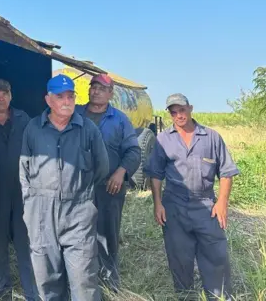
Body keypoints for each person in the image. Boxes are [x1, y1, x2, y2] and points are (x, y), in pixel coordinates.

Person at [19, 74, 109, 301]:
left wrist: (80, 194)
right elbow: (24, 170)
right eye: (60, 97)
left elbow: (102, 168)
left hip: (78, 211)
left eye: (71, 96)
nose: (67, 101)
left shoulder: (87, 129)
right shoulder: (33, 128)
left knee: (83, 279)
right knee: (46, 277)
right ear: (48, 100)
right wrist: (31, 202)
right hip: (41, 211)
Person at [144, 93, 239, 300]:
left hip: (206, 204)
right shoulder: (163, 140)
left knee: (216, 255)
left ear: (191, 108)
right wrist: (158, 204)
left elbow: (226, 172)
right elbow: (156, 174)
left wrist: (222, 203)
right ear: (169, 114)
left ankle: (218, 296)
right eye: (173, 112)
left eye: (182, 110)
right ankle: (186, 295)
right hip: (174, 205)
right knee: (179, 256)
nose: (179, 115)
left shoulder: (211, 137)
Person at [75, 73, 141, 290]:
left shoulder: (120, 119)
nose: (96, 91)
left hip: (109, 187)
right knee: (77, 233)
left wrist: (121, 172)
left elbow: (133, 151)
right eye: (93, 87)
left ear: (111, 93)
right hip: (77, 186)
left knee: (107, 233)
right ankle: (79, 279)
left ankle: (109, 279)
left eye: (102, 89)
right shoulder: (75, 114)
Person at [0, 79, 37, 301]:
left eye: (5, 93)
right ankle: (2, 292)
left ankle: (31, 291)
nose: (1, 97)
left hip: (23, 192)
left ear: (11, 96)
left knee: (26, 243)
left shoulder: (25, 120)